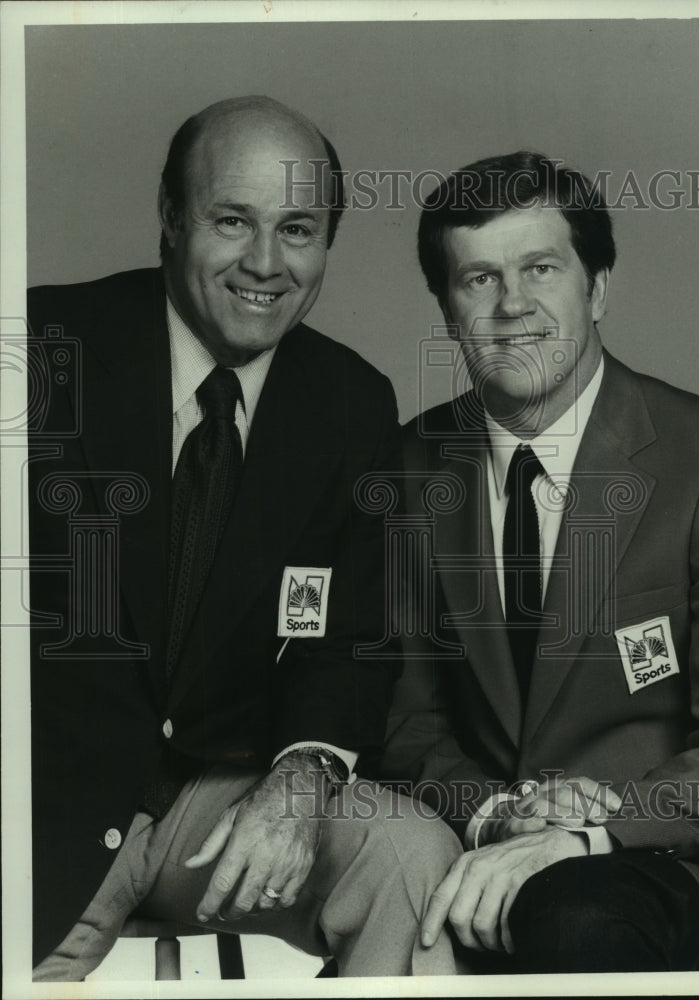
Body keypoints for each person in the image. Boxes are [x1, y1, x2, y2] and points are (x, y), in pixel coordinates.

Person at [27, 96, 461, 980]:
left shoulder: (350, 402)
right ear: (171, 216)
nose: (266, 263)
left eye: (297, 229)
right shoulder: (41, 347)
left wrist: (301, 777)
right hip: (43, 812)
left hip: (215, 806)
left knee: (406, 855)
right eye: (233, 221)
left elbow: (345, 645)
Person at [381, 151, 699, 972]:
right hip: (483, 856)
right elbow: (404, 722)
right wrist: (499, 818)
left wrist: (594, 826)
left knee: (574, 919)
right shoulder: (408, 468)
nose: (513, 306)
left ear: (598, 287)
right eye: (478, 280)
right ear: (447, 311)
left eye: (541, 268)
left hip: (671, 860)